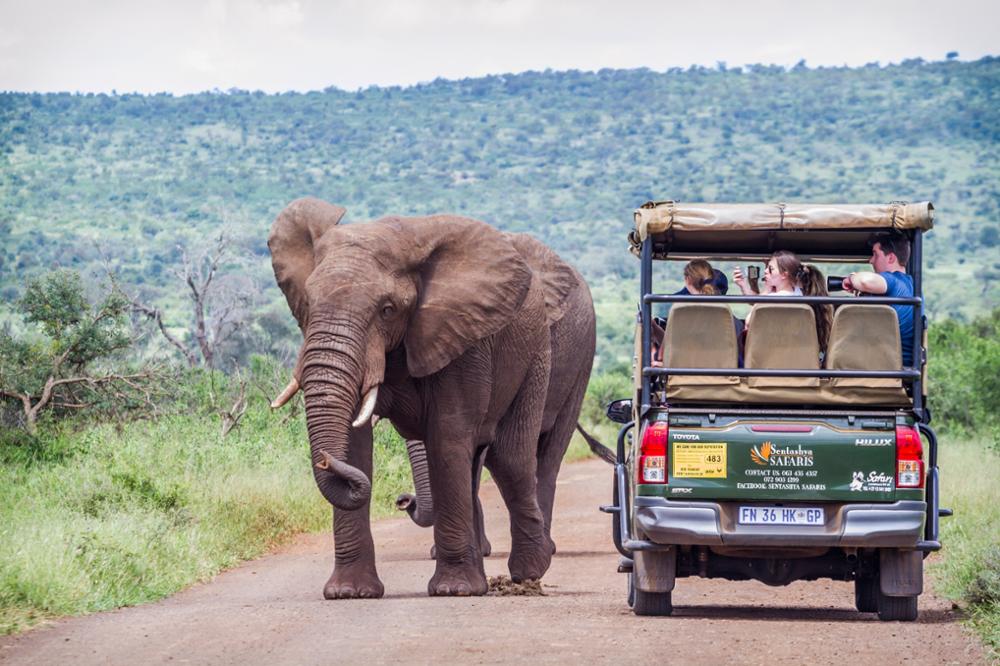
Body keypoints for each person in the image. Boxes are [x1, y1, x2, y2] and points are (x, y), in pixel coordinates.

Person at [650, 260, 744, 366]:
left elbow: (663, 355)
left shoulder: (682, 314)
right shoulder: (732, 321)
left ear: (688, 280)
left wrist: (653, 346)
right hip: (724, 377)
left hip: (687, 375)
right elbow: (737, 356)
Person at [735, 250, 832, 352]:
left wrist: (767, 290)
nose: (766, 271)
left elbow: (749, 322)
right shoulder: (800, 295)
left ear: (784, 275)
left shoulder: (772, 299)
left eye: (770, 269)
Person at [842, 233, 914, 367]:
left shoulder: (893, 280)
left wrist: (852, 278)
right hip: (902, 364)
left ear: (891, 257)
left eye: (875, 254)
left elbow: (865, 281)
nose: (871, 260)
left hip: (887, 366)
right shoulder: (912, 284)